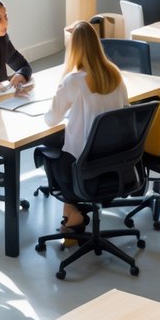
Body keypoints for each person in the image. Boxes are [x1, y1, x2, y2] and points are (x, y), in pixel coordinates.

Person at [41, 21, 130, 231]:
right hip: (115, 160)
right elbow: (126, 109)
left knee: (51, 149)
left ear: (74, 49)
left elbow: (51, 120)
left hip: (85, 165)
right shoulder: (115, 74)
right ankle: (73, 218)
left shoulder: (73, 81)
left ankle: (73, 215)